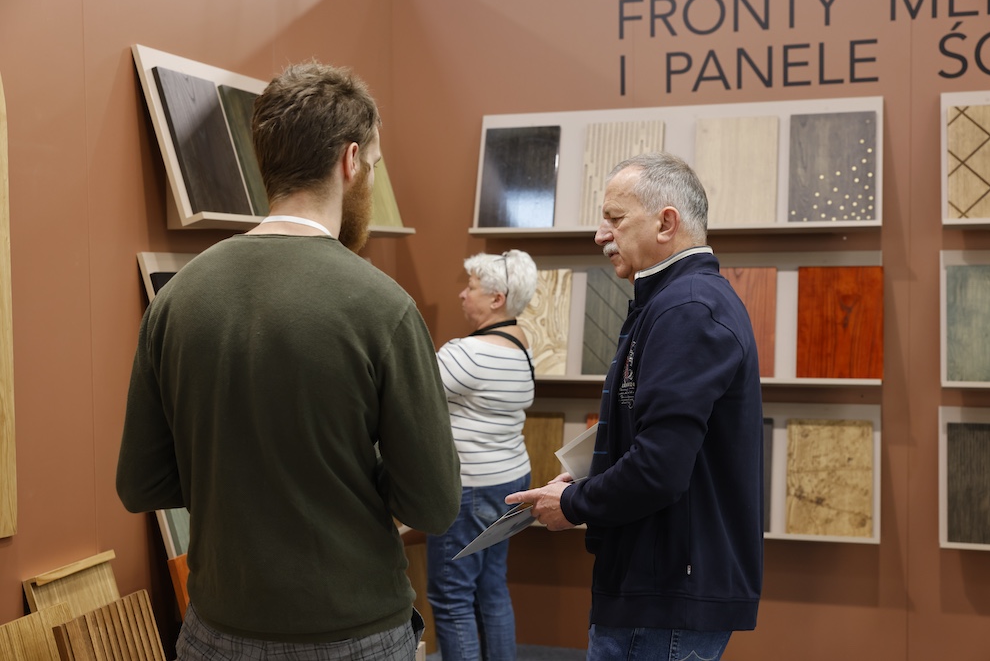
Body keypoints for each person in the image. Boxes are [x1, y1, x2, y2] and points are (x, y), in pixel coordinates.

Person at [116, 61, 461, 661]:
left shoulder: (176, 299)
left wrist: (232, 477)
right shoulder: (384, 307)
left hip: (214, 630)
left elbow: (140, 482)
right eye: (374, 164)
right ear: (350, 161)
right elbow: (432, 503)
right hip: (351, 631)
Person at [506, 152, 763, 661]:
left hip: (664, 594)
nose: (600, 235)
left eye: (615, 219)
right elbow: (659, 443)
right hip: (658, 586)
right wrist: (590, 480)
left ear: (666, 223)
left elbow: (659, 468)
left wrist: (574, 503)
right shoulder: (677, 302)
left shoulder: (688, 309)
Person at [427, 249, 538, 661]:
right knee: (491, 587)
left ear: (497, 299)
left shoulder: (466, 354)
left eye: (471, 287)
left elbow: (409, 396)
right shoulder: (523, 345)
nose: (462, 294)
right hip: (512, 479)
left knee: (451, 595)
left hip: (470, 487)